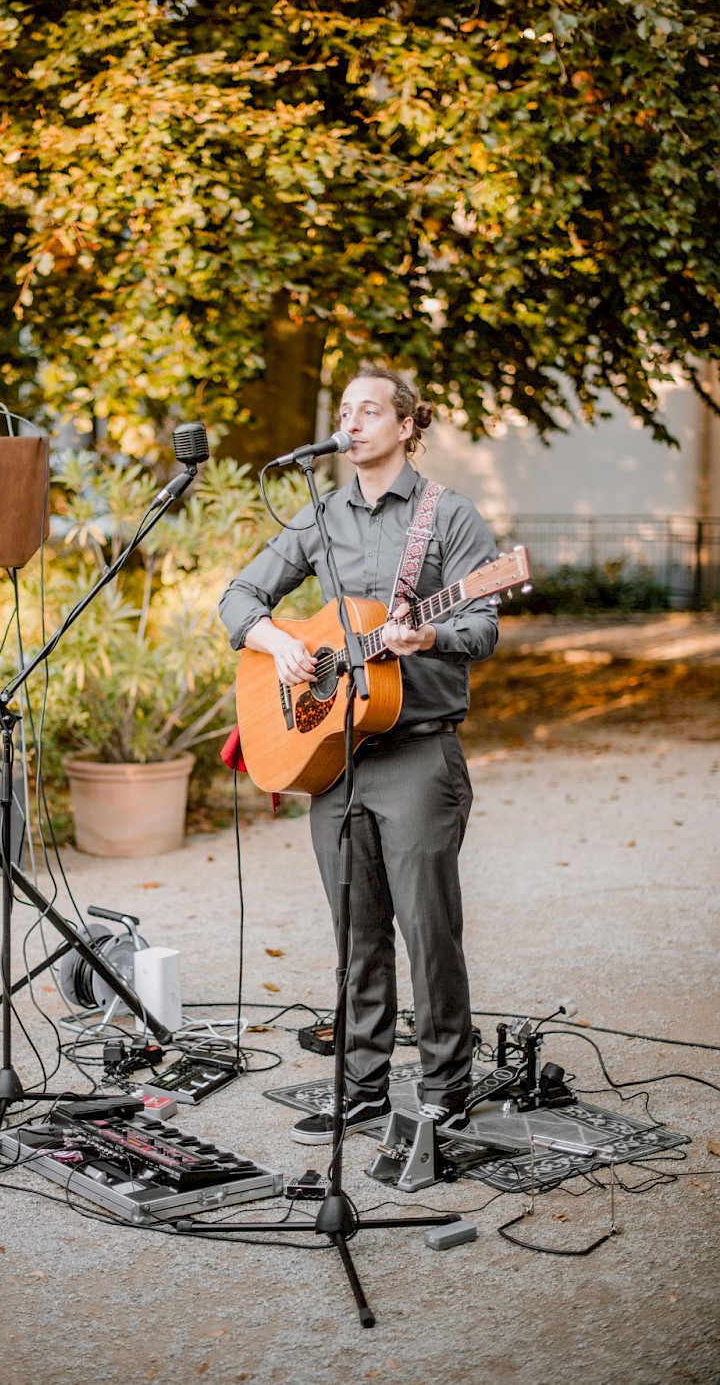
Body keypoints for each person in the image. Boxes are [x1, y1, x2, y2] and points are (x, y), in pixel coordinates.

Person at [218, 366, 499, 1144]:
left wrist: (429, 634)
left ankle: (446, 1088)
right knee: (355, 933)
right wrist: (277, 643)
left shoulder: (449, 514)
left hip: (417, 755)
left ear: (408, 425)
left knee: (427, 929)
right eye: (344, 412)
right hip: (335, 754)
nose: (352, 423)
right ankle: (362, 1087)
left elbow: (484, 624)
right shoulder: (320, 514)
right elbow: (238, 598)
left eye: (369, 410)